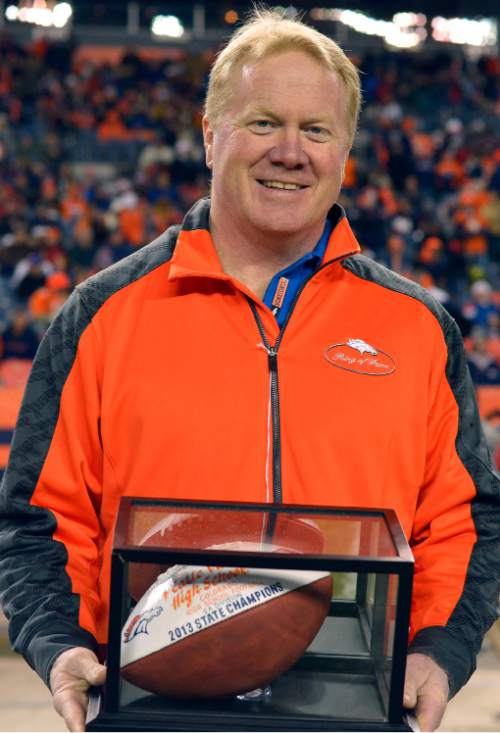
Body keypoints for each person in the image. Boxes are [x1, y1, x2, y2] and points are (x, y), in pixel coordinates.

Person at [0, 9, 499, 732]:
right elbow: (41, 518)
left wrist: (437, 648)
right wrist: (61, 642)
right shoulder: (101, 314)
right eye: (263, 123)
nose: (290, 152)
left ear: (345, 151)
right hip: (153, 707)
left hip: (357, 706)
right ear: (211, 135)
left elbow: (464, 520)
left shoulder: (419, 328)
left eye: (316, 130)